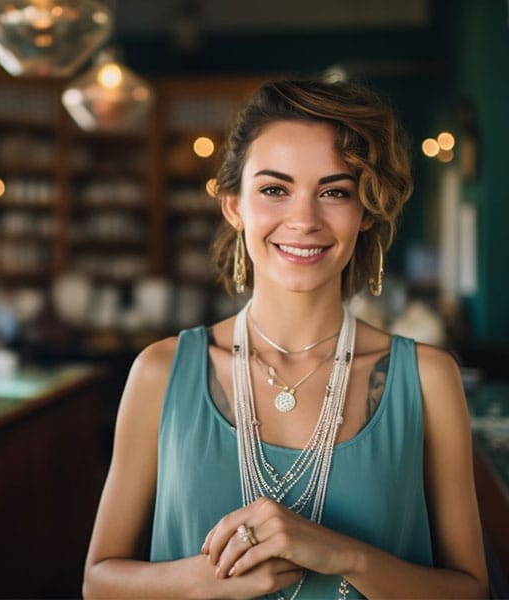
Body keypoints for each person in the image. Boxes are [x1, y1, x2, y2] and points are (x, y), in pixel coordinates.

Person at [82, 79, 488, 599]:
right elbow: (98, 584)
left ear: (365, 212)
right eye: (275, 189)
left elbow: (471, 592)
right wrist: (206, 582)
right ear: (234, 205)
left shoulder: (429, 378)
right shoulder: (160, 372)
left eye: (334, 192)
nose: (303, 220)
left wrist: (342, 555)